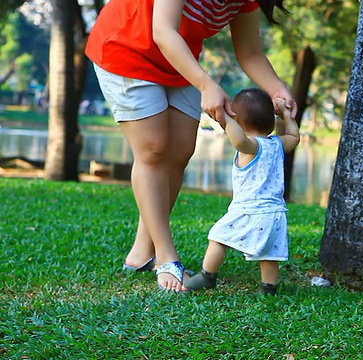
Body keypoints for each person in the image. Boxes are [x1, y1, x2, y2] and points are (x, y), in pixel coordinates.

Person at [85, 0, 298, 292]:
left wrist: (278, 89)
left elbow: (249, 52)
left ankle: (140, 253)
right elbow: (163, 31)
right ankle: (165, 257)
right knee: (154, 149)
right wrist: (205, 84)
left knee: (181, 150)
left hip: (177, 61)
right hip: (127, 48)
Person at [185, 90, 300, 295]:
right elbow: (294, 136)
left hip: (248, 210)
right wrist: (287, 115)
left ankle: (207, 276)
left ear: (238, 121)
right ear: (271, 120)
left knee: (218, 237)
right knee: (269, 254)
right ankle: (269, 288)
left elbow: (238, 141)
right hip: (274, 213)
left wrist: (226, 117)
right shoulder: (278, 144)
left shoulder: (252, 146)